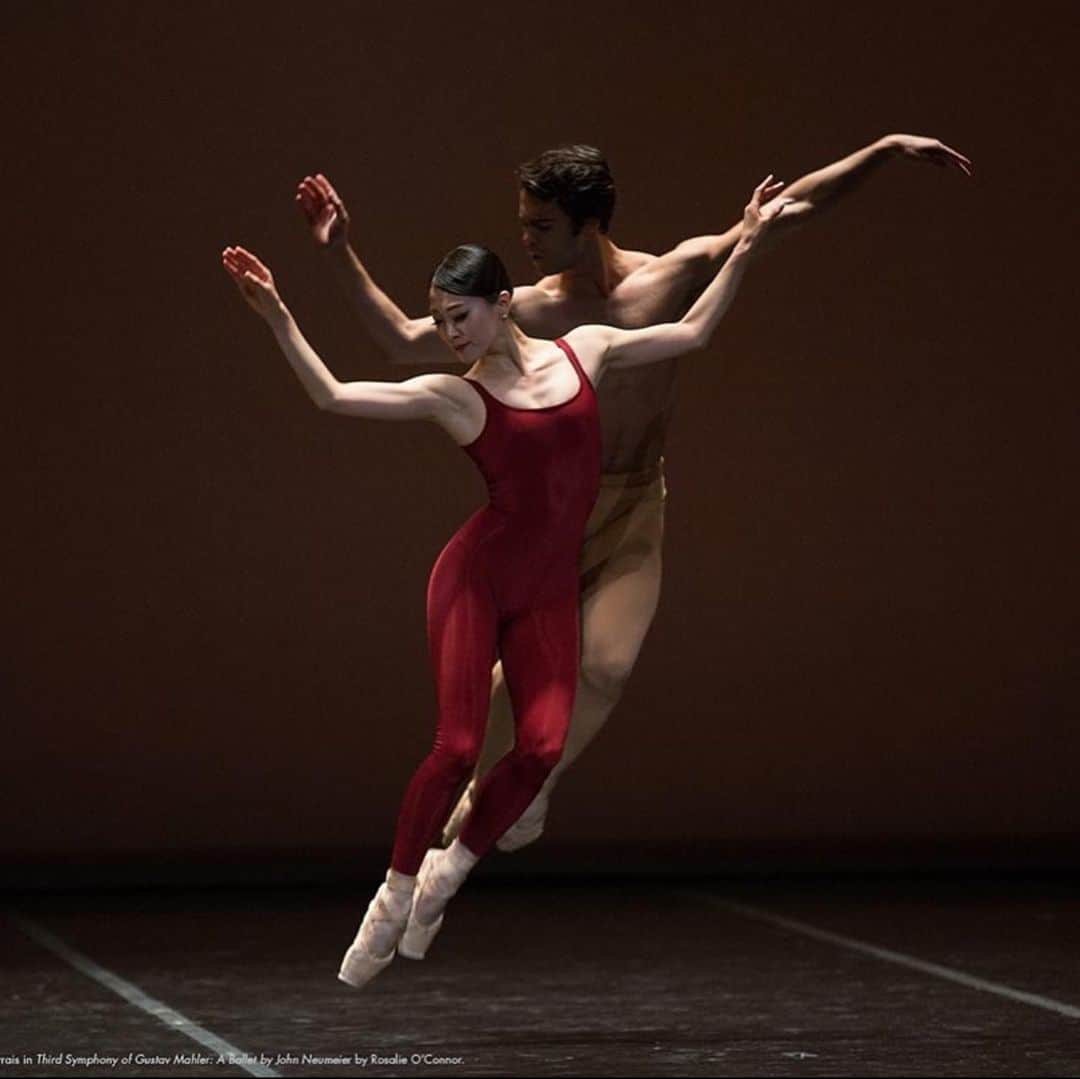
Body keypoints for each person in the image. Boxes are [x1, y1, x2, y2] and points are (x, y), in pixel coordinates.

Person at [295, 135, 972, 853]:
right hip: (552, 512)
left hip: (634, 502)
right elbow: (401, 339)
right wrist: (338, 250)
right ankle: (483, 795)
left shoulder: (667, 278)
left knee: (608, 663)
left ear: (589, 226)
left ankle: (532, 787)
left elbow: (786, 210)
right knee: (515, 679)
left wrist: (885, 150)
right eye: (523, 224)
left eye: (541, 226)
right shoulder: (523, 309)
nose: (524, 240)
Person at [223, 176, 788, 986]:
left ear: (504, 302)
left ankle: (451, 869)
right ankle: (391, 898)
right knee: (456, 747)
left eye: (461, 316)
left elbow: (694, 332)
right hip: (477, 579)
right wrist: (279, 313)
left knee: (542, 748)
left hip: (548, 589)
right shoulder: (459, 397)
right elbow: (334, 394)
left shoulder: (585, 350)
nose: (449, 335)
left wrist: (749, 244)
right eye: (442, 320)